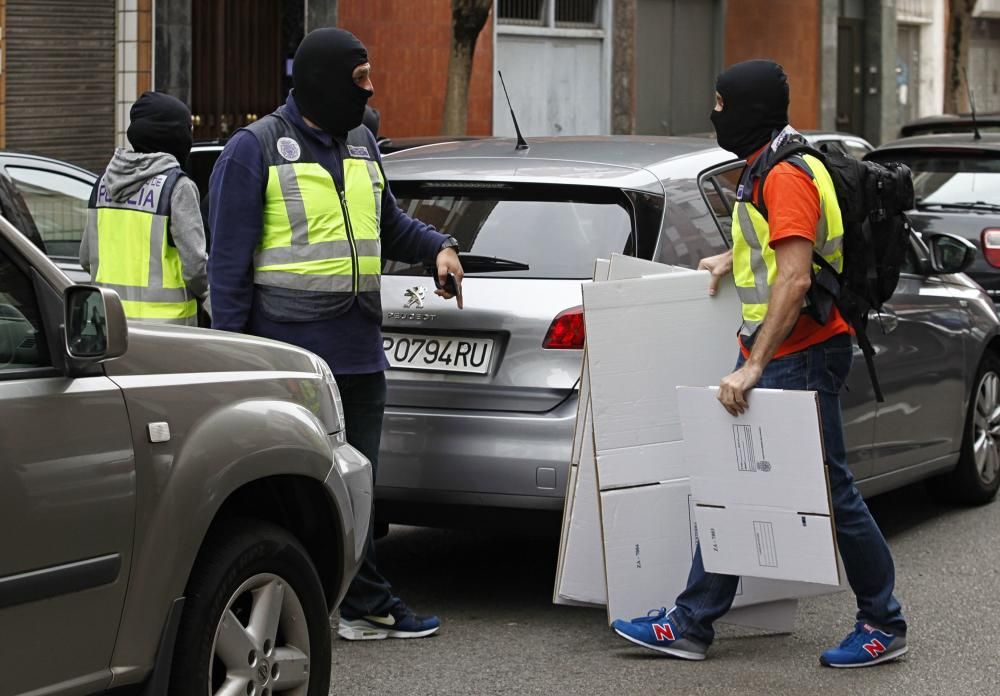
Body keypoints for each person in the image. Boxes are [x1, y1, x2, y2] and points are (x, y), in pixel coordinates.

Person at [610, 60, 907, 668]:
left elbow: (796, 277)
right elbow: (775, 247)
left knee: (831, 490)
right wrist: (727, 257)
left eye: (722, 104)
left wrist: (753, 366)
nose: (715, 114)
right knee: (736, 486)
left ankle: (883, 621)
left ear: (748, 109)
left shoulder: (786, 175)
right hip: (779, 351)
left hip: (799, 354)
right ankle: (693, 623)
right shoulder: (768, 164)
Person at [207, 27, 462, 640]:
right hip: (289, 358)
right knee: (294, 489)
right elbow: (228, 267)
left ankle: (359, 601)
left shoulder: (363, 144)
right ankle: (322, 601)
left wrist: (440, 248)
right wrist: (237, 358)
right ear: (321, 80)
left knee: (358, 487)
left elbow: (391, 224)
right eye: (360, 81)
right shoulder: (255, 149)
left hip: (358, 350)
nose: (371, 92)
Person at [81, 92, 209, 326]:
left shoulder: (103, 185)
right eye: (186, 130)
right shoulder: (178, 187)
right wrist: (215, 303)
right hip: (168, 332)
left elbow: (86, 259)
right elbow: (195, 267)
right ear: (172, 136)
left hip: (110, 327)